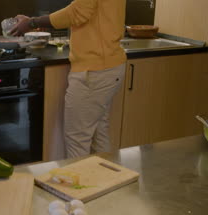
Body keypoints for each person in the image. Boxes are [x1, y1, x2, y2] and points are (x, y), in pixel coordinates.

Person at [10, 0, 127, 158]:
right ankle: (105, 180)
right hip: (109, 65)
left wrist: (31, 22)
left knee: (77, 139)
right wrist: (37, 21)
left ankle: (80, 182)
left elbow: (77, 12)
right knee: (99, 132)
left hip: (94, 69)